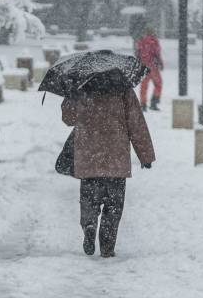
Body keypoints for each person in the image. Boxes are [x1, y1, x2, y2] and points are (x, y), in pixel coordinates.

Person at [61, 90, 155, 258]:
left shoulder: (82, 86)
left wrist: (71, 95)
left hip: (89, 157)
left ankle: (89, 225)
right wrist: (145, 155)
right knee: (113, 207)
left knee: (89, 201)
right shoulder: (122, 88)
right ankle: (107, 246)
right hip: (116, 160)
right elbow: (136, 122)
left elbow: (68, 118)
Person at [136, 27, 163, 111]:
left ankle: (143, 104)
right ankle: (154, 102)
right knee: (158, 84)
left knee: (144, 86)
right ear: (152, 32)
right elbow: (157, 53)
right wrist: (160, 63)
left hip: (144, 66)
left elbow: (138, 53)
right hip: (153, 67)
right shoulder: (154, 41)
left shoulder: (141, 41)